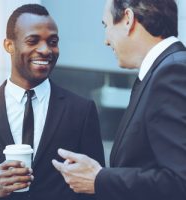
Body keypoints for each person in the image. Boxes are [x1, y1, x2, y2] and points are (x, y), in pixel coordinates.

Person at [0, 4, 105, 200]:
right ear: (9, 45)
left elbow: (97, 189)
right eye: (33, 41)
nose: (46, 50)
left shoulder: (81, 110)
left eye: (53, 41)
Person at [52, 0, 186, 200]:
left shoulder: (171, 73)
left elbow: (180, 181)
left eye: (106, 26)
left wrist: (99, 179)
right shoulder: (162, 71)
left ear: (128, 19)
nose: (106, 41)